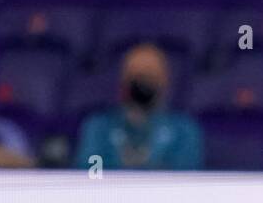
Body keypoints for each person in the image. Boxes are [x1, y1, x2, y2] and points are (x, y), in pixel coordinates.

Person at [74, 43, 204, 171]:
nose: (143, 84)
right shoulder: (98, 128)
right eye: (137, 76)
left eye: (151, 76)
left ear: (164, 82)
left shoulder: (184, 130)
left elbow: (184, 176)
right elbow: (91, 173)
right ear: (124, 82)